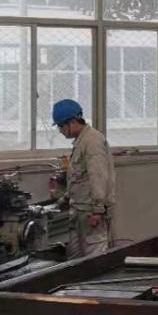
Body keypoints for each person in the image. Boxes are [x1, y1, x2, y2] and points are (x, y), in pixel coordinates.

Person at [52, 99, 117, 258]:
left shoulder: (92, 141)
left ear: (73, 122)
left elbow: (98, 176)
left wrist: (97, 211)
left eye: (61, 126)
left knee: (94, 259)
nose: (60, 131)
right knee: (74, 259)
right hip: (79, 211)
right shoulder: (81, 142)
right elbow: (80, 177)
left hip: (90, 212)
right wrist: (66, 198)